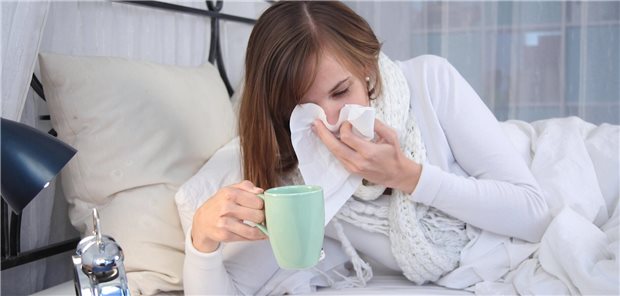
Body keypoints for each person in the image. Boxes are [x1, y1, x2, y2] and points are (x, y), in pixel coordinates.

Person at [181, 1, 551, 294]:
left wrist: (407, 175)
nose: (330, 122)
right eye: (301, 108)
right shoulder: (300, 185)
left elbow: (534, 214)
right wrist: (202, 238)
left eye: (341, 91)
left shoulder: (428, 81)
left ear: (368, 69)